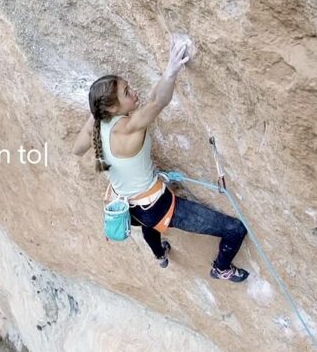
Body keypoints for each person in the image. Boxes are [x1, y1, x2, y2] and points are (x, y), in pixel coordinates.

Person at [72, 40, 249, 282]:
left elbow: (77, 148)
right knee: (235, 229)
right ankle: (221, 268)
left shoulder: (98, 124)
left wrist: (94, 115)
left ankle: (159, 255)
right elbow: (158, 102)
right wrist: (171, 71)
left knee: (149, 225)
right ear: (112, 107)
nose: (133, 92)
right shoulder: (130, 128)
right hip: (156, 207)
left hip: (126, 204)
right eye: (126, 92)